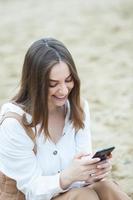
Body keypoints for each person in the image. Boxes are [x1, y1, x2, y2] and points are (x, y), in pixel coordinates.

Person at [0, 38, 131, 200]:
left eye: (68, 80)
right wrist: (67, 177)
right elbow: (31, 190)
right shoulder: (14, 123)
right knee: (84, 197)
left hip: (71, 191)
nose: (63, 91)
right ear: (34, 84)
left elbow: (81, 177)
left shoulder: (78, 108)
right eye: (53, 84)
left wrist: (90, 172)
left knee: (107, 187)